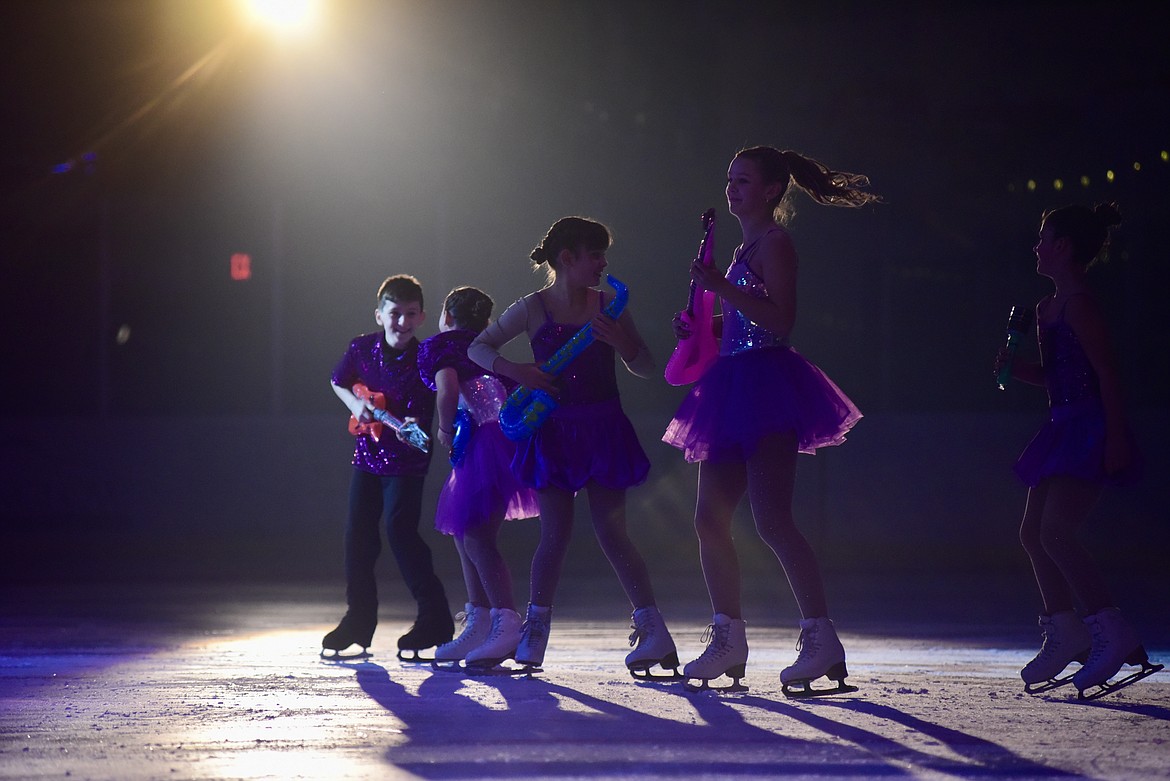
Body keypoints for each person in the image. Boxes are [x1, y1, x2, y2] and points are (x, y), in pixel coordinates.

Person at [663, 146, 878, 695]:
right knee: (709, 519)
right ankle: (728, 636)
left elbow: (781, 320)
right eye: (729, 178)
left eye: (744, 181)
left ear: (771, 191)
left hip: (768, 387)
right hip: (732, 386)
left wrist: (722, 288)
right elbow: (740, 316)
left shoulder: (777, 244)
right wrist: (703, 321)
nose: (732, 188)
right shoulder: (743, 246)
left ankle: (820, 637)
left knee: (772, 519)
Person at [468, 216, 679, 678]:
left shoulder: (609, 305)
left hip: (603, 427)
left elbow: (646, 366)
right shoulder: (532, 307)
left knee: (612, 532)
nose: (603, 263)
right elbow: (478, 349)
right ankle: (535, 631)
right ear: (568, 259)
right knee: (555, 534)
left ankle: (653, 629)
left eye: (604, 255)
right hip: (554, 432)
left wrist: (622, 339)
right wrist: (517, 370)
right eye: (595, 255)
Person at [998, 202, 1158, 698]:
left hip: (1088, 427)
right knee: (1032, 532)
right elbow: (1057, 378)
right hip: (1061, 425)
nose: (1036, 246)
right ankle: (1064, 629)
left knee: (1056, 531)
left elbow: (1106, 373)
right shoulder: (1046, 309)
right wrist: (1020, 370)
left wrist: (1113, 436)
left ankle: (1110, 630)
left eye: (1043, 237)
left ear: (1063, 247)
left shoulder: (1081, 304)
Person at [322, 274, 454, 660]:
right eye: (394, 314)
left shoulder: (426, 356)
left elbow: (439, 399)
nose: (402, 322)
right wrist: (355, 405)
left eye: (410, 314)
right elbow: (337, 380)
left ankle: (436, 618)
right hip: (367, 454)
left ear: (422, 316)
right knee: (357, 535)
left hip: (407, 458)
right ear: (379, 315)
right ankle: (359, 620)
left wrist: (411, 426)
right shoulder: (361, 348)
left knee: (399, 530)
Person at [417, 286, 540, 669]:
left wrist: (442, 426)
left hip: (487, 443)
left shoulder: (443, 346)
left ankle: (505, 621)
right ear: (487, 321)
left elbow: (448, 385)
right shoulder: (487, 347)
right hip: (501, 439)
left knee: (477, 536)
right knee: (465, 531)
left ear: (447, 317)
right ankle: (480, 617)